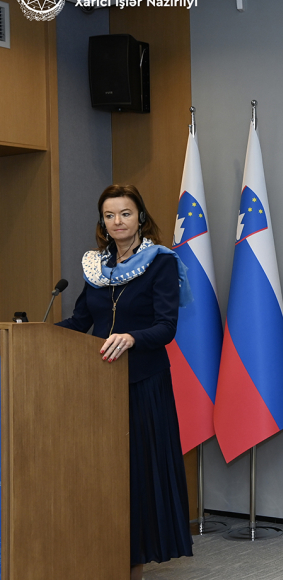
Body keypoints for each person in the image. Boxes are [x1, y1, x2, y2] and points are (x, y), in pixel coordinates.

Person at [57, 185, 193, 580]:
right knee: (103, 473)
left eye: (125, 213)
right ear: (102, 222)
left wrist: (132, 337)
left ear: (141, 217)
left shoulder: (161, 262)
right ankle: (104, 553)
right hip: (99, 386)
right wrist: (35, 335)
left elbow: (166, 327)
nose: (117, 221)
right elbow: (81, 321)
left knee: (137, 475)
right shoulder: (97, 267)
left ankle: (134, 561)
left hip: (143, 384)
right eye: (109, 215)